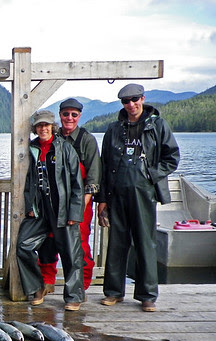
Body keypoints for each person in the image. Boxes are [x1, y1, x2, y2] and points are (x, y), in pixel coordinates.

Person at [97, 83, 180, 312]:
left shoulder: (158, 125)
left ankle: (147, 295)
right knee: (117, 243)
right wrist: (102, 199)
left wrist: (151, 174)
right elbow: (104, 166)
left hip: (144, 193)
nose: (131, 104)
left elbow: (172, 158)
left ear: (143, 99)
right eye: (126, 101)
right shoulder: (114, 129)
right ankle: (113, 292)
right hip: (116, 193)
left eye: (135, 99)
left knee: (145, 243)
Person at [17, 109, 85, 311]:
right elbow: (29, 181)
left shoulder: (65, 148)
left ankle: (74, 296)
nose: (43, 129)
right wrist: (30, 206)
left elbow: (77, 183)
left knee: (71, 253)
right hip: (40, 210)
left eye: (46, 125)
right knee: (23, 245)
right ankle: (37, 287)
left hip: (62, 209)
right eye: (39, 125)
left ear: (52, 127)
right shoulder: (32, 149)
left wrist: (75, 212)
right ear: (35, 128)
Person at [38, 98, 101, 297]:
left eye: (74, 114)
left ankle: (81, 285)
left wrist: (80, 207)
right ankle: (47, 280)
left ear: (79, 116)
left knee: (79, 245)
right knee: (48, 242)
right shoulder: (53, 137)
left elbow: (93, 177)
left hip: (79, 201)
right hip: (53, 202)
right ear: (60, 115)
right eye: (66, 114)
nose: (69, 118)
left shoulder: (87, 140)